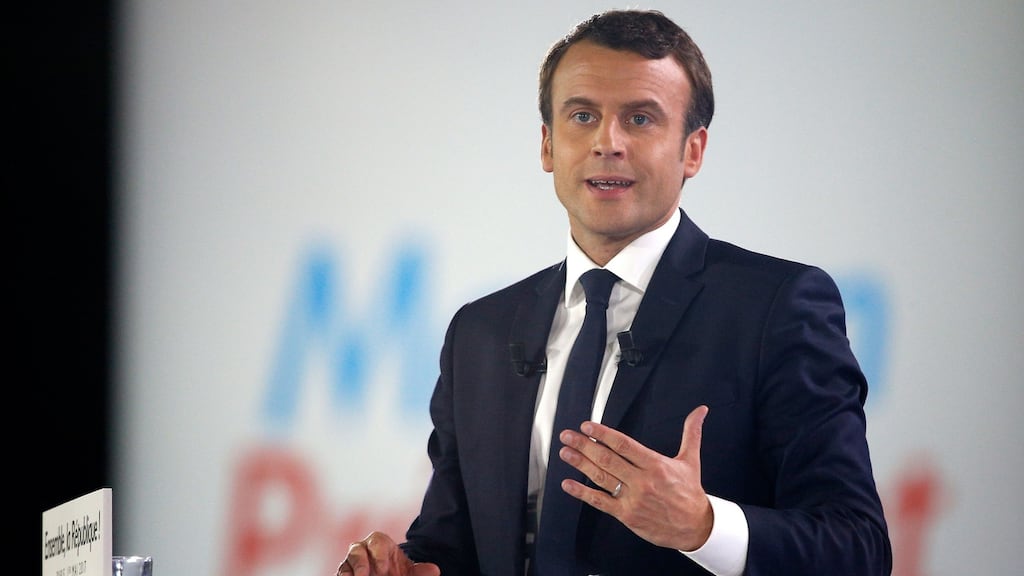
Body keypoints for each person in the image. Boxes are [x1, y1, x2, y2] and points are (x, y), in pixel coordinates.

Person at [338, 9, 891, 576]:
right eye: (583, 116)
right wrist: (412, 570)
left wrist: (703, 526)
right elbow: (451, 546)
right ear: (548, 146)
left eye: (641, 119)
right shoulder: (480, 331)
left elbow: (857, 548)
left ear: (692, 151)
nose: (608, 142)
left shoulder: (777, 308)